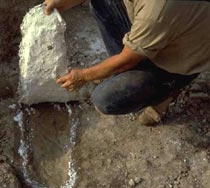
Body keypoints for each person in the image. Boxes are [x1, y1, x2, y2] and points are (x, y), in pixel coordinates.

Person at [43, 0, 210, 126]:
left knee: (105, 99)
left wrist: (83, 75)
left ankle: (168, 90)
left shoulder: (157, 13)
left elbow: (125, 61)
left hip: (180, 60)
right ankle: (129, 62)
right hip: (163, 28)